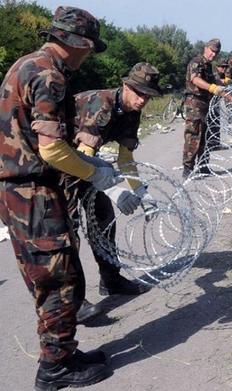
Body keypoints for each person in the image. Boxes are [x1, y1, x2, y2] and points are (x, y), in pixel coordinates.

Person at [0, 6, 117, 390]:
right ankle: (54, 369)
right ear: (77, 43)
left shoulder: (26, 65)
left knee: (51, 275)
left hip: (19, 190)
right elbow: (50, 150)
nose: (89, 56)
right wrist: (95, 172)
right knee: (58, 279)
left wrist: (84, 158)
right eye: (89, 48)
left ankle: (63, 351)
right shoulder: (50, 75)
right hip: (32, 191)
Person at [68, 63, 162, 324]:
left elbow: (126, 159)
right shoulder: (102, 104)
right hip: (62, 163)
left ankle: (111, 280)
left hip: (88, 162)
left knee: (103, 219)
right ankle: (73, 303)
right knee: (68, 230)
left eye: (148, 95)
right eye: (139, 93)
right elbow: (82, 154)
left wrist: (141, 192)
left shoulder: (132, 110)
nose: (143, 100)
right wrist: (112, 188)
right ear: (125, 86)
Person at [182, 38, 232, 179]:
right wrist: (214, 88)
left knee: (206, 135)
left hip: (206, 104)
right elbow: (196, 80)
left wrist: (224, 85)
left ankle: (204, 166)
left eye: (216, 53)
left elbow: (212, 80)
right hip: (195, 103)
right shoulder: (197, 62)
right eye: (212, 51)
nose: (213, 55)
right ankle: (188, 168)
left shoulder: (208, 65)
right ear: (206, 48)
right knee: (194, 135)